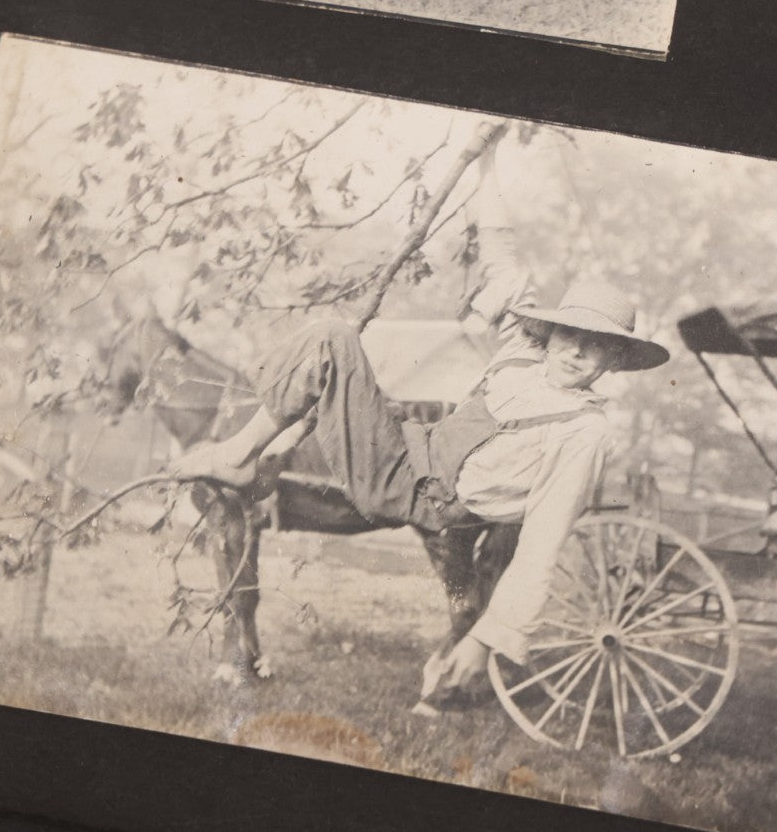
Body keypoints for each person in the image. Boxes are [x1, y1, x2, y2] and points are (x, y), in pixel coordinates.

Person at [170, 229, 669, 704]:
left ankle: (238, 456)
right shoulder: (521, 361)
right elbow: (506, 262)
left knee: (330, 339)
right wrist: (487, 157)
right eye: (568, 334)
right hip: (405, 440)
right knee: (335, 366)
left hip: (414, 489)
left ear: (615, 359)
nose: (577, 351)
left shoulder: (584, 432)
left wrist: (487, 639)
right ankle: (265, 453)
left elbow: (543, 542)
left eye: (596, 343)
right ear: (551, 334)